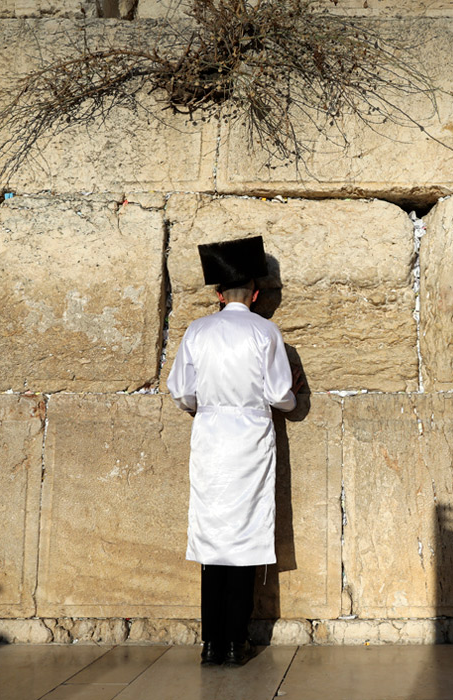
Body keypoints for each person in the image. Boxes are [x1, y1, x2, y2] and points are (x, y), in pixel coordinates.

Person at [167, 236, 301, 667]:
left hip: (210, 439)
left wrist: (202, 405)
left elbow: (181, 392)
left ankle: (210, 643)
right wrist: (293, 397)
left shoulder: (198, 331)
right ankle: (235, 642)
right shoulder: (266, 332)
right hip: (250, 441)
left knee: (211, 539)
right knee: (243, 539)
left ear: (219, 295)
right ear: (256, 294)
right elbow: (281, 395)